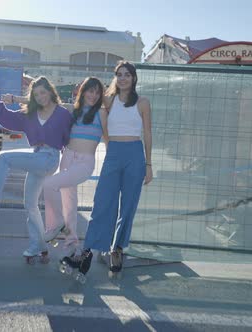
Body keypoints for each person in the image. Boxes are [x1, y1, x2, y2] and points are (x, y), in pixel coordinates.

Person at [0, 76, 72, 262]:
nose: (40, 97)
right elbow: (7, 119)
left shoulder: (62, 113)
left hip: (50, 158)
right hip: (36, 156)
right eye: (36, 94)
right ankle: (38, 246)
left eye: (43, 92)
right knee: (30, 205)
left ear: (50, 92)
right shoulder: (30, 114)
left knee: (4, 158)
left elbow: (72, 136)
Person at [62, 61, 153, 276]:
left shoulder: (143, 103)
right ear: (115, 78)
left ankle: (117, 249)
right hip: (113, 154)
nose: (123, 78)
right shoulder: (108, 101)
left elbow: (147, 134)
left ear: (134, 78)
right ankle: (86, 252)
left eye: (127, 75)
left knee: (128, 205)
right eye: (119, 74)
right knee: (102, 203)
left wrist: (149, 164)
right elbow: (85, 101)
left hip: (135, 154)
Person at [40, 77, 106, 256]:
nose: (93, 95)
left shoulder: (102, 113)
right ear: (82, 91)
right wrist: (14, 100)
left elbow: (108, 139)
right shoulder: (73, 110)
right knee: (69, 203)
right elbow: (48, 103)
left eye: (97, 92)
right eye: (90, 90)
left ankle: (55, 225)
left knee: (49, 184)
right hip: (67, 157)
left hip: (85, 162)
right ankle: (71, 245)